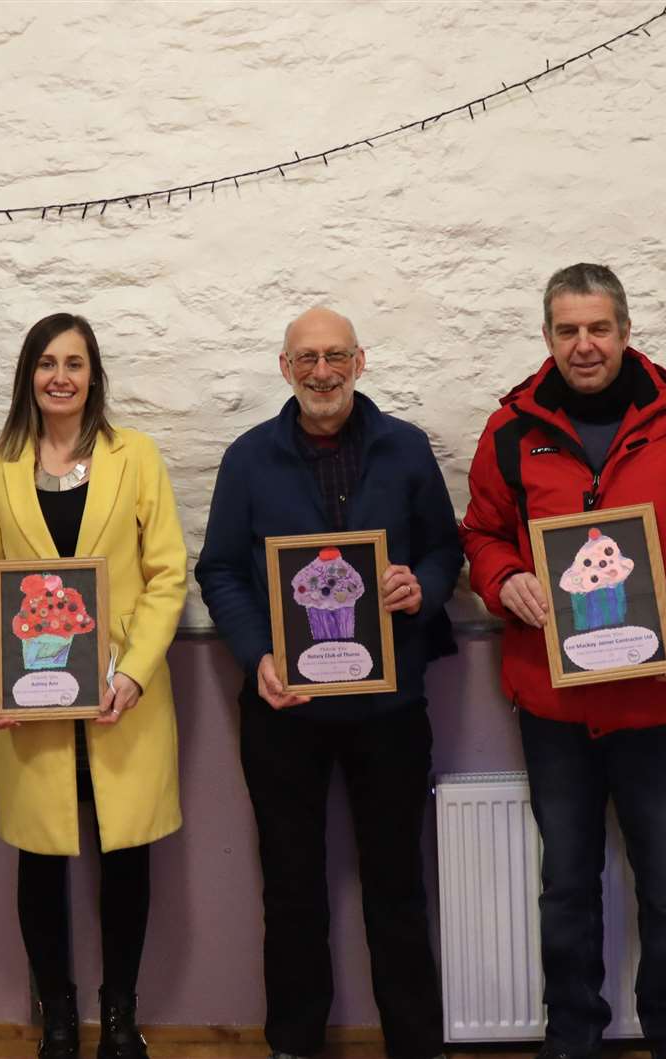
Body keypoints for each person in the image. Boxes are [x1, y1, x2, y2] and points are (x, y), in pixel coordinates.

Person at [459, 264, 666, 1059]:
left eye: (598, 329)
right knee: (566, 889)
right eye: (566, 331)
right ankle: (572, 1037)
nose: (583, 346)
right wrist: (504, 577)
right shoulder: (510, 432)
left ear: (625, 331)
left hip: (660, 702)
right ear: (547, 336)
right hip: (555, 706)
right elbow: (480, 534)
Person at [196, 306, 459, 1059]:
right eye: (306, 357)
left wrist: (424, 586)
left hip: (391, 706)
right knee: (292, 892)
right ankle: (293, 1045)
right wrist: (257, 656)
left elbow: (445, 547)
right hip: (285, 709)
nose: (322, 371)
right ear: (285, 367)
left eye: (335, 355)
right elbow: (218, 569)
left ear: (360, 361)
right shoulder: (248, 458)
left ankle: (416, 1046)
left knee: (398, 890)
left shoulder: (405, 449)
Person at [0, 313, 187, 1059]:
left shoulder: (137, 458)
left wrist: (134, 671)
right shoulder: (0, 465)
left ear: (94, 375)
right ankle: (57, 1018)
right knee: (41, 859)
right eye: (47, 362)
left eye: (75, 363)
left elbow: (166, 576)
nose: (61, 376)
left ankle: (120, 1018)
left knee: (126, 859)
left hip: (123, 701)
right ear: (29, 374)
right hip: (32, 707)